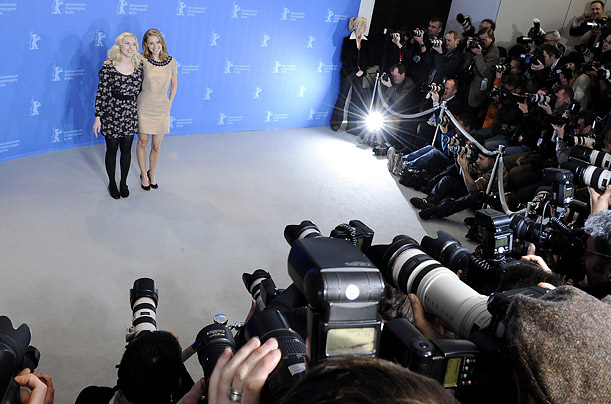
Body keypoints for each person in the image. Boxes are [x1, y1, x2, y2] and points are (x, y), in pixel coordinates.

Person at [75, 330, 194, 404]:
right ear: (178, 383)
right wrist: (175, 356)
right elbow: (189, 393)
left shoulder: (90, 397)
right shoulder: (191, 397)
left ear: (120, 372)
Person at [93, 32, 143, 199]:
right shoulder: (109, 67)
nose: (130, 47)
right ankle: (112, 182)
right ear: (119, 46)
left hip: (130, 113)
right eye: (127, 43)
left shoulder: (139, 66)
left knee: (126, 150)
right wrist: (98, 117)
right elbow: (101, 93)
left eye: (133, 44)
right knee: (112, 149)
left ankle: (123, 182)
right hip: (112, 112)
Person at [136, 29, 178, 191]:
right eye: (151, 43)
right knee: (142, 142)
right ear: (146, 44)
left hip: (162, 108)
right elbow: (123, 64)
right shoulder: (140, 59)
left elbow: (174, 84)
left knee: (156, 146)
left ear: (162, 42)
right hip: (144, 107)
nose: (155, 46)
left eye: (158, 42)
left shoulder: (171, 61)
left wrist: (169, 103)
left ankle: (152, 173)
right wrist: (110, 62)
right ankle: (143, 175)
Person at [331, 17, 370, 134]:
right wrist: (355, 70)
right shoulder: (347, 41)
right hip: (348, 73)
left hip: (360, 75)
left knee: (356, 100)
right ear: (357, 26)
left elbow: (367, 58)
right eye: (364, 25)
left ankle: (352, 126)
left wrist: (362, 70)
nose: (365, 27)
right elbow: (345, 58)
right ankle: (336, 123)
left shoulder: (366, 41)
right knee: (342, 98)